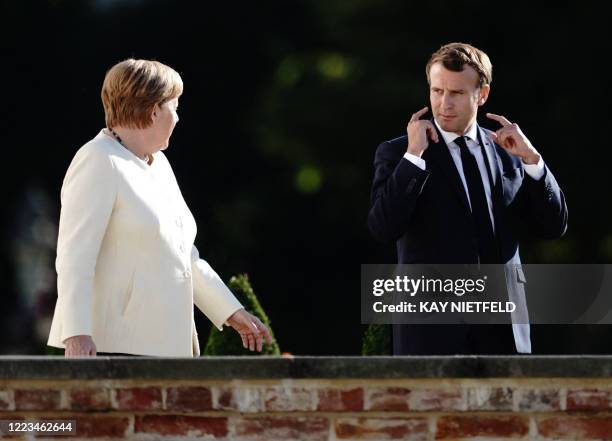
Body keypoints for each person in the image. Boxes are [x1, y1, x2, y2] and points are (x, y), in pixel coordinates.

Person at [47, 59, 273, 357]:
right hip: (111, 347)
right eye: (174, 107)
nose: (178, 118)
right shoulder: (98, 159)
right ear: (153, 110)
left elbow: (183, 254)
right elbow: (75, 255)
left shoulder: (158, 164)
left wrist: (231, 311)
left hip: (167, 346)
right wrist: (76, 334)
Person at [367, 42, 568, 355]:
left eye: (457, 93)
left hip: (504, 330)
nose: (444, 103)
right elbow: (383, 228)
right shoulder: (398, 153)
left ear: (482, 94)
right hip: (432, 334)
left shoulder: (509, 153)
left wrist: (532, 160)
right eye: (437, 91)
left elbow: (553, 227)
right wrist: (413, 158)